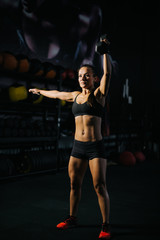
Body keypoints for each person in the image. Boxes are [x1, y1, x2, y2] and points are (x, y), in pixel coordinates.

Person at [29, 37, 112, 239]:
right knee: (74, 184)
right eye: (80, 76)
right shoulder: (75, 96)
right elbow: (56, 93)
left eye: (87, 76)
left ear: (94, 78)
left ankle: (106, 225)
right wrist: (40, 90)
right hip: (78, 148)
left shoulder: (99, 95)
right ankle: (72, 218)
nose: (83, 78)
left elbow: (108, 73)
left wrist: (104, 53)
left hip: (95, 148)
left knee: (99, 186)